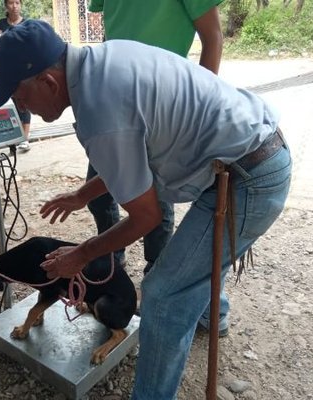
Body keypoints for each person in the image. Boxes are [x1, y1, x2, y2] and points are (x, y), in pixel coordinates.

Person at [0, 20, 291, 400]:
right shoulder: (101, 61)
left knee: (162, 295)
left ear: (48, 81)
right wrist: (83, 195)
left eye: (19, 94)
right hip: (245, 155)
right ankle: (204, 312)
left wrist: (80, 255)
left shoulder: (99, 111)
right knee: (189, 276)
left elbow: (147, 217)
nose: (20, 106)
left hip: (248, 176)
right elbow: (131, 156)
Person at [87, 0, 227, 336]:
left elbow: (213, 37)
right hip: (114, 99)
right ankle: (110, 269)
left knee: (156, 203)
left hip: (163, 104)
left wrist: (197, 104)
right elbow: (112, 30)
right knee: (98, 194)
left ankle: (164, 286)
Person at [0, 0, 31, 152]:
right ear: (6, 6)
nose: (14, 6)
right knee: (15, 103)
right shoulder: (2, 24)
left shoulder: (27, 23)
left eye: (17, 2)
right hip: (7, 69)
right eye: (11, 3)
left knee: (25, 102)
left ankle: (25, 138)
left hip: (24, 69)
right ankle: (18, 135)